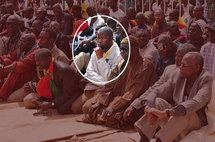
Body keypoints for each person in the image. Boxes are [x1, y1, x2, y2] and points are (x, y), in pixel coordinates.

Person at [133, 52, 213, 142]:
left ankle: (160, 141)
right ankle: (144, 139)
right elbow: (157, 90)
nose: (180, 67)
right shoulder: (179, 75)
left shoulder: (207, 79)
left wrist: (165, 113)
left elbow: (197, 102)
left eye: (184, 65)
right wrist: (149, 107)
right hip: (175, 116)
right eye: (180, 64)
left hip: (196, 120)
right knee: (158, 102)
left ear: (196, 67)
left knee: (183, 113)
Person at [82, 36, 157, 128]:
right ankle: (100, 117)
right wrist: (100, 101)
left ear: (135, 49)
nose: (122, 52)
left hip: (133, 102)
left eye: (125, 49)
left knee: (114, 117)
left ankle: (101, 117)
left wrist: (113, 107)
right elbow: (110, 84)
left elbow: (133, 93)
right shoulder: (122, 63)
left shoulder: (145, 66)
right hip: (116, 97)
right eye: (121, 49)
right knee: (87, 107)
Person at [8, 28, 71, 103]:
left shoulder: (59, 57)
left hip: (54, 90)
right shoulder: (39, 53)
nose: (39, 40)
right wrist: (31, 84)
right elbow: (39, 74)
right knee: (11, 98)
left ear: (51, 40)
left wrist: (35, 87)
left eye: (43, 39)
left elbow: (61, 85)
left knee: (28, 101)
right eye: (39, 37)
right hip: (40, 85)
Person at [23, 48, 88, 114]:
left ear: (49, 59)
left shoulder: (63, 70)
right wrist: (40, 99)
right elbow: (48, 86)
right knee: (39, 101)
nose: (37, 63)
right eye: (36, 61)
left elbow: (67, 93)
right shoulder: (42, 68)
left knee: (63, 109)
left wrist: (51, 103)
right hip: (61, 89)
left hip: (77, 89)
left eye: (39, 61)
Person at [0, 34, 39, 101]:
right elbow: (10, 56)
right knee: (6, 61)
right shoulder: (23, 48)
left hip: (32, 78)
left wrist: (3, 68)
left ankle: (2, 95)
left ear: (30, 44)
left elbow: (21, 65)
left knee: (15, 71)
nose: (19, 44)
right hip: (22, 73)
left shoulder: (36, 51)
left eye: (22, 42)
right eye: (20, 41)